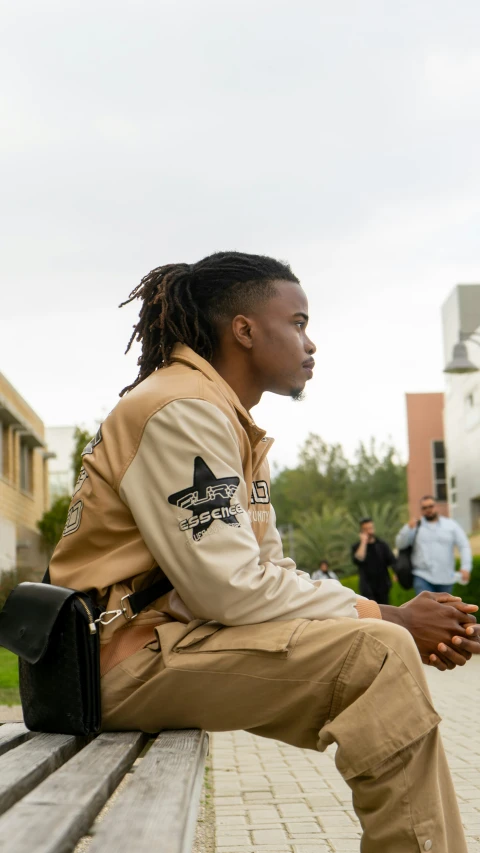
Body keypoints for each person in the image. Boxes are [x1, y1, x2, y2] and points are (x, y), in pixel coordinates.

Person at [48, 251, 480, 853]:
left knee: (382, 651)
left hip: (164, 646)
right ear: (245, 330)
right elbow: (228, 589)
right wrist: (392, 616)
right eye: (298, 323)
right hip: (119, 665)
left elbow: (267, 572)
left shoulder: (225, 418)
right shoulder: (182, 410)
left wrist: (389, 619)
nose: (312, 344)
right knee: (378, 655)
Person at [396, 496, 472, 595]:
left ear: (437, 507)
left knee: (444, 609)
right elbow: (400, 544)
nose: (428, 510)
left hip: (446, 578)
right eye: (424, 508)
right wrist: (408, 529)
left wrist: (466, 567)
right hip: (422, 576)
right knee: (425, 608)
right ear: (421, 510)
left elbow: (464, 545)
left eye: (430, 506)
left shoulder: (451, 525)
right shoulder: (416, 526)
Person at [351, 517, 396, 605]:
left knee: (384, 611)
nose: (369, 531)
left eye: (370, 528)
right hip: (367, 587)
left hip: (383, 585)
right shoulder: (357, 547)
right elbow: (358, 559)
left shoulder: (382, 545)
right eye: (366, 529)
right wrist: (363, 542)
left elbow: (392, 560)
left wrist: (396, 572)